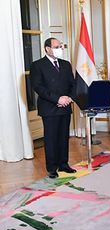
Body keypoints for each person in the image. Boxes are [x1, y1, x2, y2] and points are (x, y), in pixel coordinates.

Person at [30, 37, 77, 179]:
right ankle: (52, 168)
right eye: (56, 47)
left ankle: (64, 164)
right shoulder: (37, 65)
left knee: (63, 137)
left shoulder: (66, 64)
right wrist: (57, 99)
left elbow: (73, 84)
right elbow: (38, 87)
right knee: (51, 138)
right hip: (49, 108)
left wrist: (68, 98)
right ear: (47, 49)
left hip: (65, 106)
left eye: (61, 46)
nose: (60, 49)